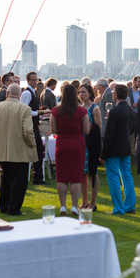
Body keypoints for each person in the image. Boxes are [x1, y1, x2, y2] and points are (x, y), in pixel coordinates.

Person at [0, 84, 37, 215]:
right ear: (20, 95)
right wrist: (32, 144)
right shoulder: (25, 109)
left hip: (1, 148)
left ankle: (4, 206)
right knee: (19, 181)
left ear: (7, 93)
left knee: (5, 180)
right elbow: (28, 131)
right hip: (19, 149)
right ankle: (14, 208)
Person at [51, 84, 90, 216]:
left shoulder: (55, 111)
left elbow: (54, 130)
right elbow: (86, 130)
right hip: (77, 144)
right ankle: (74, 206)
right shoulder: (82, 111)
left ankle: (63, 206)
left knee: (61, 176)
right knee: (75, 177)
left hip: (62, 144)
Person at [100, 84, 136, 214]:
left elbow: (109, 134)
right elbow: (132, 130)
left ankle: (119, 208)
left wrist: (103, 154)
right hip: (125, 145)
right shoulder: (131, 110)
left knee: (113, 177)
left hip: (114, 148)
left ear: (115, 95)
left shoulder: (114, 111)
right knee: (127, 175)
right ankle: (130, 206)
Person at [79, 84, 102, 211]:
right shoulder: (80, 108)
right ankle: (84, 202)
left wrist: (88, 124)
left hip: (91, 144)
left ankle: (93, 203)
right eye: (79, 92)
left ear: (90, 94)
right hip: (80, 144)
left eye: (83, 92)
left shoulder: (95, 108)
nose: (81, 94)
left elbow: (99, 127)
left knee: (92, 173)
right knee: (82, 174)